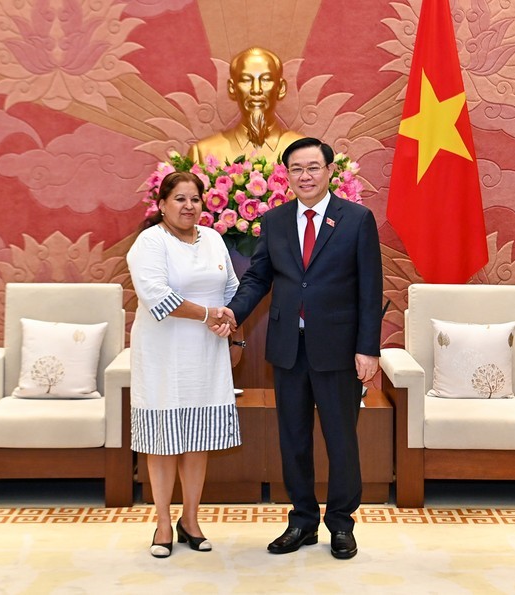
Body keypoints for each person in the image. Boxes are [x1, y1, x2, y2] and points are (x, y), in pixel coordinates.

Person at [221, 137, 383, 560]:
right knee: (292, 438)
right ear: (285, 175)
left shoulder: (357, 219)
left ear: (330, 171)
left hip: (339, 348)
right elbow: (258, 278)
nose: (305, 176)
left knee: (341, 439)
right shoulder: (273, 222)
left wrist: (368, 349)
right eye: (296, 169)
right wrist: (233, 313)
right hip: (289, 348)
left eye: (313, 167)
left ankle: (342, 524)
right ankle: (303, 521)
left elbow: (370, 288)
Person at [127, 171, 241, 559]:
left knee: (197, 438)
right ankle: (162, 522)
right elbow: (157, 296)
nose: (188, 206)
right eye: (179, 199)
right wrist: (209, 313)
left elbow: (232, 289)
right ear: (161, 204)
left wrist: (229, 319)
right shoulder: (150, 242)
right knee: (162, 440)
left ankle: (190, 520)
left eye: (195, 199)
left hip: (207, 353)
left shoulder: (213, 239)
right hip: (163, 354)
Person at [187, 47, 303, 165]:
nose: (256, 90)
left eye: (266, 80)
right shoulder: (203, 153)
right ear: (232, 88)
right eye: (246, 80)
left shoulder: (306, 152)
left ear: (281, 88)